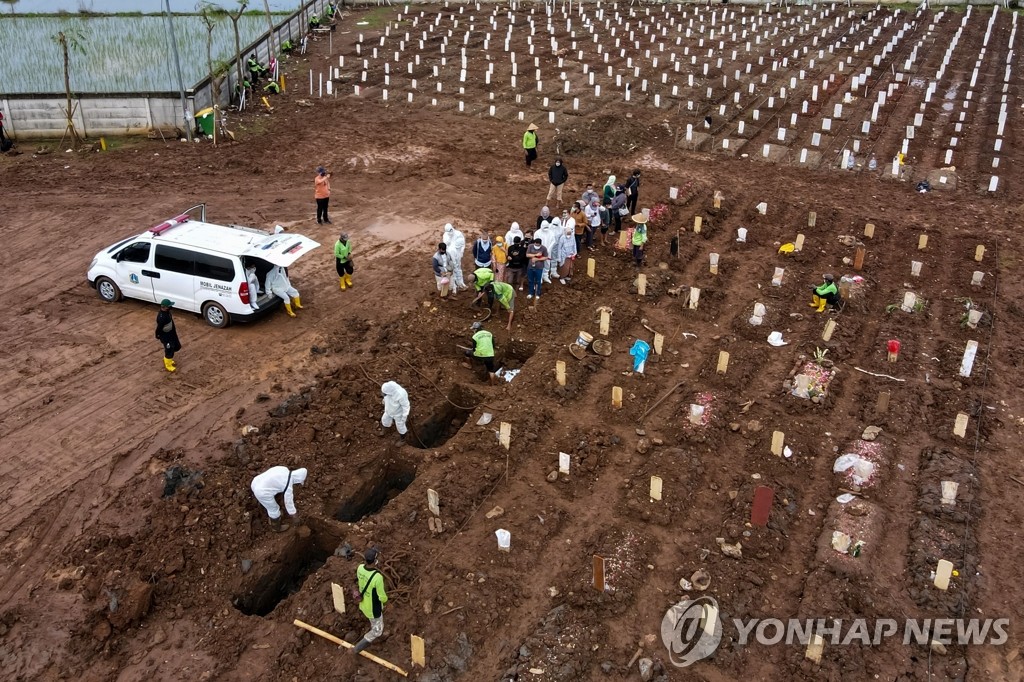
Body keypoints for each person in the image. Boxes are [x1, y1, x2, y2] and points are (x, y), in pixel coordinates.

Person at [350, 548, 388, 655]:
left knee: (372, 620)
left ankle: (372, 625)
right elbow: (382, 597)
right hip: (373, 609)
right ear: (375, 561)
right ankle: (356, 649)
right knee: (377, 631)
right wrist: (387, 601)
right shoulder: (377, 577)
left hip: (363, 604)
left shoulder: (360, 568)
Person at [250, 466, 308, 532]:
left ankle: (268, 510)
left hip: (256, 482)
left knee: (269, 502)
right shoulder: (288, 485)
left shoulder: (284, 469)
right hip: (262, 492)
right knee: (274, 509)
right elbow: (288, 503)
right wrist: (294, 516)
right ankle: (276, 527)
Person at [155, 299, 182, 373]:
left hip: (171, 333)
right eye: (169, 306)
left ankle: (167, 359)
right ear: (164, 307)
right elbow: (159, 328)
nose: (171, 307)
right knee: (169, 350)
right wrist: (157, 335)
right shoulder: (162, 317)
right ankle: (168, 364)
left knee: (177, 346)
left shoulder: (167, 312)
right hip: (166, 336)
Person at [442, 223, 466, 294]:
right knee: (452, 271)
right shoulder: (445, 236)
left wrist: (461, 252)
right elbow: (445, 245)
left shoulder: (458, 234)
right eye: (448, 232)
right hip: (450, 256)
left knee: (458, 268)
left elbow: (463, 244)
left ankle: (461, 283)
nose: (449, 233)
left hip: (457, 255)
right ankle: (454, 286)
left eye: (450, 232)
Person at [535, 219, 559, 285]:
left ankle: (545, 276)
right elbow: (536, 243)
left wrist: (548, 249)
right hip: (540, 252)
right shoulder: (537, 233)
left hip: (548, 251)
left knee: (547, 263)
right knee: (539, 264)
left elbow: (553, 241)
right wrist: (541, 250)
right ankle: (539, 277)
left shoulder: (550, 232)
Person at [526, 237, 548, 301]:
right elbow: (527, 255)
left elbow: (546, 257)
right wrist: (536, 255)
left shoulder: (543, 248)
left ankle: (538, 293)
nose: (536, 246)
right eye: (535, 245)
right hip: (530, 267)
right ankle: (531, 292)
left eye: (538, 245)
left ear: (540, 244)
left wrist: (537, 259)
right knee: (530, 280)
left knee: (538, 281)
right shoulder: (530, 246)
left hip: (539, 267)